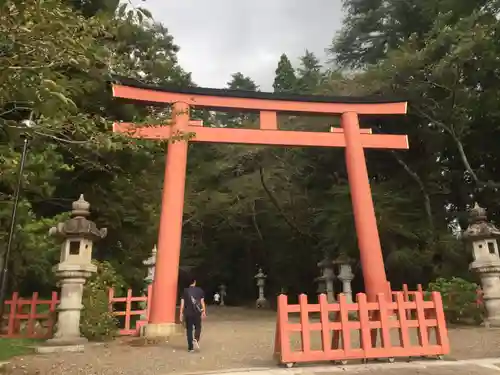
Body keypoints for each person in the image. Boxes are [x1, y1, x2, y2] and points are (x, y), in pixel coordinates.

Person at [179, 277, 206, 352]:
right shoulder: (199, 290)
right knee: (198, 327)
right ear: (195, 282)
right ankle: (196, 338)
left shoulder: (185, 291)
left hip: (188, 312)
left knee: (189, 330)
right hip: (197, 312)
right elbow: (202, 302)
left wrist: (180, 313)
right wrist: (204, 311)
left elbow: (182, 303)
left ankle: (190, 348)